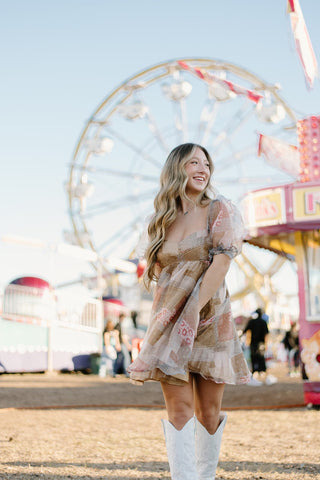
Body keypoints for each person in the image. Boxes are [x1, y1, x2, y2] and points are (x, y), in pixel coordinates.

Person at [127, 143, 251, 480]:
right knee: (178, 410)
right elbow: (161, 277)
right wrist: (172, 314)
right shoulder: (160, 220)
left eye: (207, 164)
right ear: (176, 168)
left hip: (209, 317)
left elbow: (222, 261)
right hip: (169, 321)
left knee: (208, 412)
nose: (202, 168)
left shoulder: (219, 209)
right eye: (193, 162)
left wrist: (194, 309)